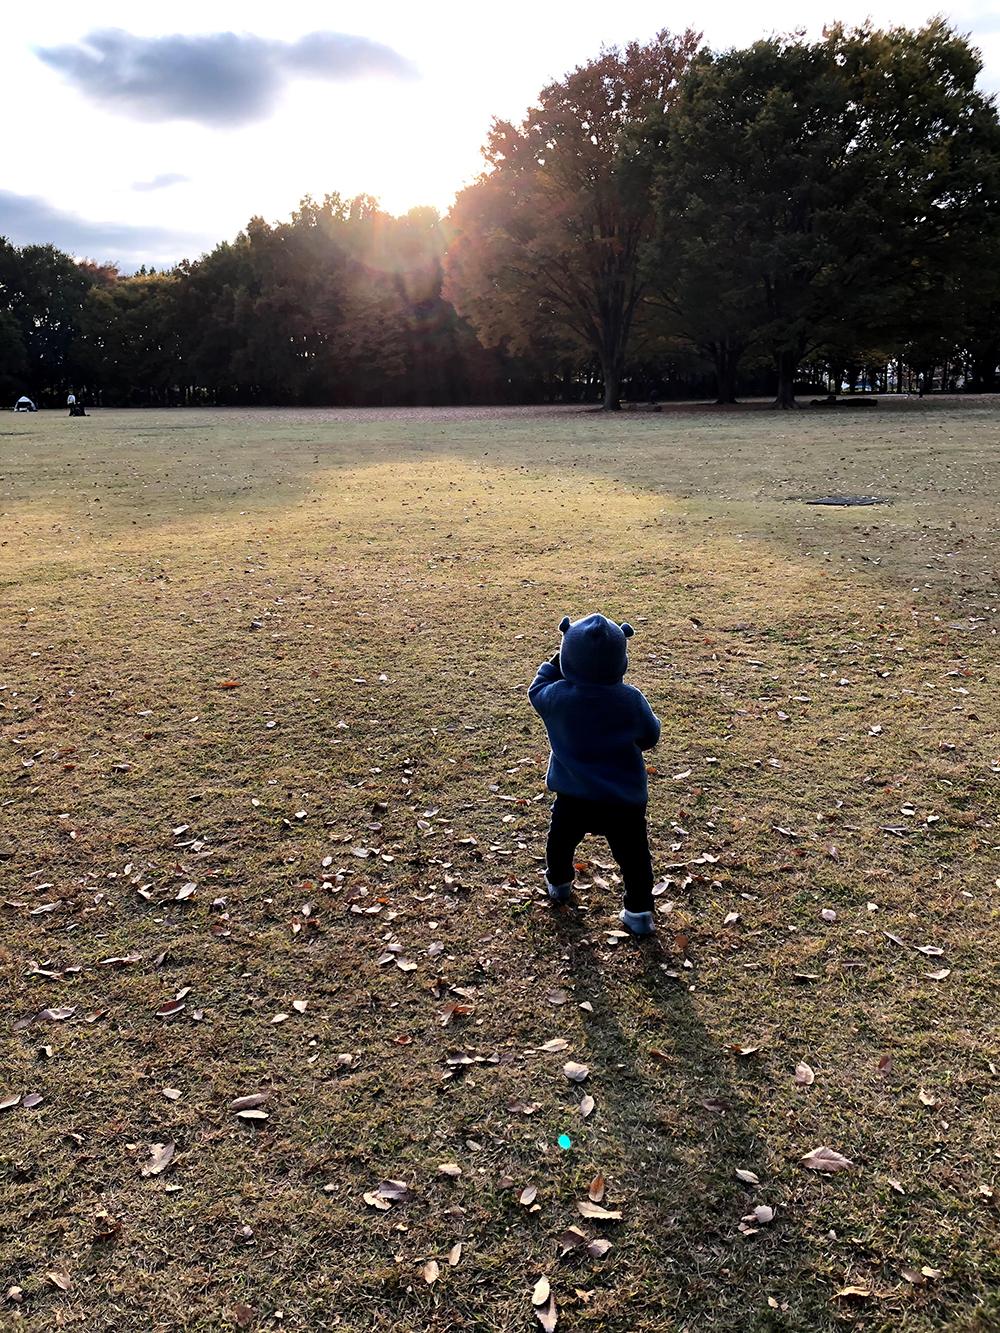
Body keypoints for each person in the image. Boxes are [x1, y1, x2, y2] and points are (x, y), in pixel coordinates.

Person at [528, 613, 661, 935]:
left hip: (573, 795)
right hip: (624, 800)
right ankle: (639, 912)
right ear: (620, 659)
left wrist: (560, 658)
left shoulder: (556, 698)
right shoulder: (630, 699)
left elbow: (536, 687)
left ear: (568, 657)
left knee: (560, 841)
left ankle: (558, 883)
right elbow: (650, 736)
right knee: (634, 857)